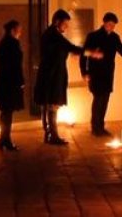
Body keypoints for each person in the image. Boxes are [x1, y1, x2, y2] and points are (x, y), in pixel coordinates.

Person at [35, 9, 101, 145]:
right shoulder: (54, 35)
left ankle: (49, 134)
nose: (67, 26)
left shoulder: (51, 34)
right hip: (52, 76)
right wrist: (90, 53)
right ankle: (52, 135)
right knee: (52, 105)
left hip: (51, 74)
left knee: (49, 105)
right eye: (65, 23)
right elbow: (71, 47)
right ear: (57, 22)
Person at [81, 12, 122, 137]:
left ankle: (101, 126)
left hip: (108, 73)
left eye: (113, 25)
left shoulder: (114, 37)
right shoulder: (93, 36)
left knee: (105, 100)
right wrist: (85, 72)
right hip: (96, 73)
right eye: (109, 24)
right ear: (104, 23)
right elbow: (84, 54)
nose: (111, 27)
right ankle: (95, 127)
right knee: (98, 99)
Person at [0, 20, 24, 151]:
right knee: (8, 112)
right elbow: (15, 65)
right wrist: (20, 81)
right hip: (10, 82)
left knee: (6, 112)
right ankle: (6, 139)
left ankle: (4, 139)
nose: (20, 33)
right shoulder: (12, 44)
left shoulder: (4, 43)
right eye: (19, 30)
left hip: (4, 81)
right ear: (13, 30)